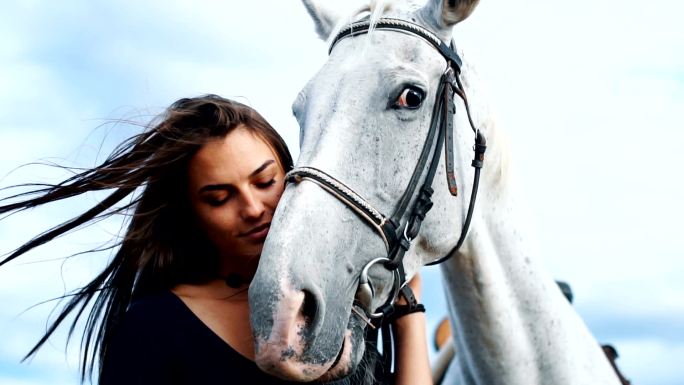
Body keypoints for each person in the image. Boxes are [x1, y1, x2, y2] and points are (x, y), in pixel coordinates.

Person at [0, 95, 431, 385]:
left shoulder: (332, 307)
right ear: (191, 215)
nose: (253, 207)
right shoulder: (153, 329)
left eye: (265, 181)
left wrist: (408, 315)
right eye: (219, 197)